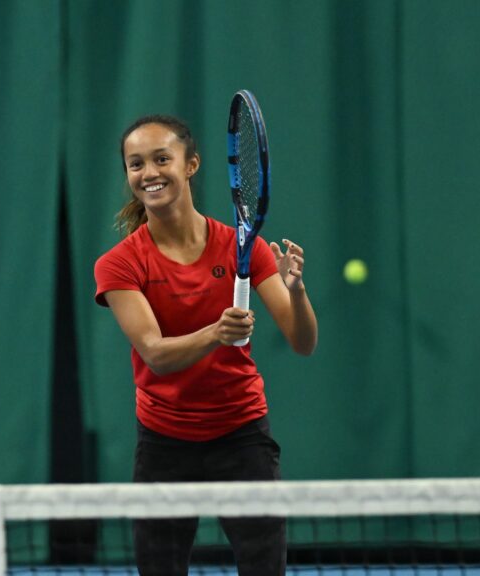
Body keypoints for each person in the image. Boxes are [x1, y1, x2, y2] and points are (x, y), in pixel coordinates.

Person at [94, 114, 318, 575]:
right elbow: (155, 354)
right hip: (163, 442)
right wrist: (216, 333)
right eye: (136, 164)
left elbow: (303, 342)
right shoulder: (118, 265)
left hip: (242, 435)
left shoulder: (245, 247)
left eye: (162, 159)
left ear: (190, 164)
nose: (149, 173)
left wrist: (296, 291)